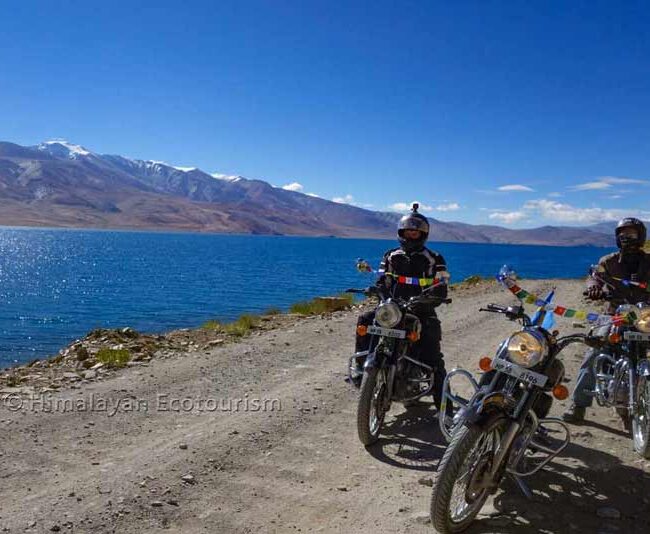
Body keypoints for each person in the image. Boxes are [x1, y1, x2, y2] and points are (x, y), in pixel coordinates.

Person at [351, 203, 451, 415]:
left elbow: (442, 286)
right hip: (391, 308)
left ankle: (446, 410)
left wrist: (434, 297)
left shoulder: (434, 258)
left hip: (420, 309)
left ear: (422, 233)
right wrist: (376, 289)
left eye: (415, 231)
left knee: (433, 355)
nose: (411, 234)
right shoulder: (390, 255)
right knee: (365, 320)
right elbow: (382, 279)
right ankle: (360, 367)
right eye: (408, 231)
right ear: (401, 232)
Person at [563, 217, 650, 423]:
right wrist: (593, 287)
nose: (626, 238)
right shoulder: (608, 261)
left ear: (641, 236)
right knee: (595, 350)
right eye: (622, 234)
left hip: (645, 316)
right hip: (615, 315)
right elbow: (595, 276)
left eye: (631, 234)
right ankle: (578, 405)